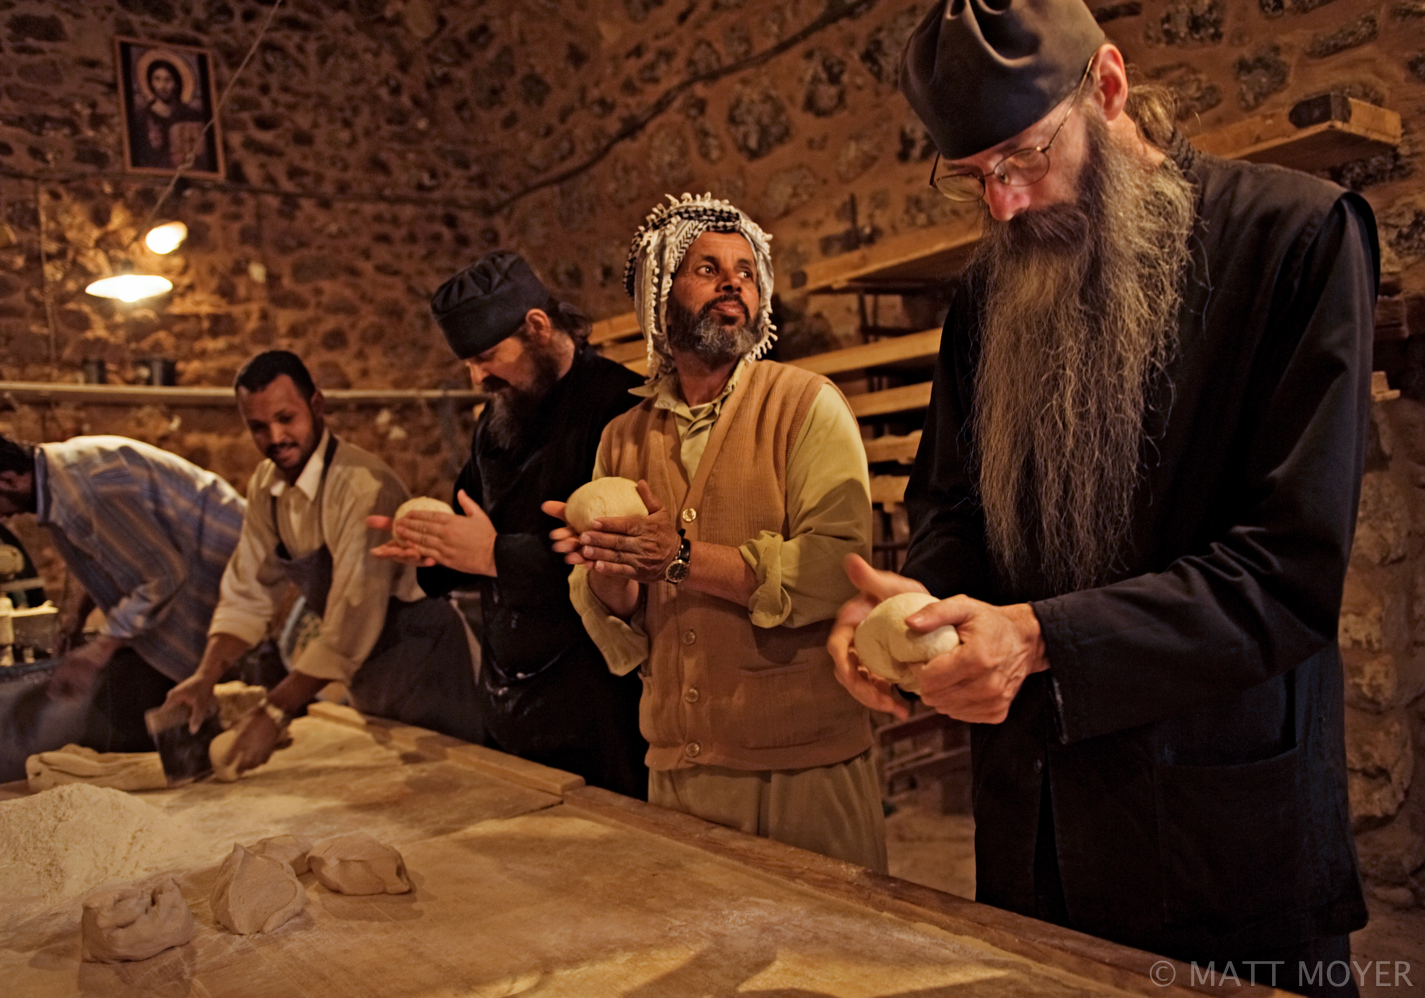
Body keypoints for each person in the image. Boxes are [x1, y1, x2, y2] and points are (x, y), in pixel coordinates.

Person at [828, 2, 1377, 994]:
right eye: (974, 179)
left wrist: (1040, 638)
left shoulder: (1294, 239)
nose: (1002, 204)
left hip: (1223, 846)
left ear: (1110, 88)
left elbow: (1288, 571)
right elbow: (952, 505)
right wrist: (910, 614)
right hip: (1035, 836)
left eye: (1025, 158)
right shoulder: (988, 296)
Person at [550, 195, 884, 871]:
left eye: (746, 271)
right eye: (706, 268)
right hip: (679, 770)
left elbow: (836, 569)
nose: (734, 281)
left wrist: (679, 557)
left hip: (802, 770)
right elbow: (621, 615)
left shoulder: (806, 405)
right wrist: (609, 567)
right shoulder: (622, 437)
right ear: (658, 295)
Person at [371, 251, 648, 798]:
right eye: (468, 364)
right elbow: (470, 519)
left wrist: (493, 555)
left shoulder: (620, 407)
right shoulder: (498, 418)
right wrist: (436, 548)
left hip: (596, 707)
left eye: (488, 356)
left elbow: (624, 560)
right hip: (509, 700)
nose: (478, 377)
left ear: (538, 329)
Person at [163, 350, 482, 772]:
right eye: (258, 427)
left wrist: (275, 711)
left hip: (428, 668)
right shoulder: (266, 485)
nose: (274, 437)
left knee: (460, 789)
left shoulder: (362, 486)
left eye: (286, 418)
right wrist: (206, 676)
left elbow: (353, 616)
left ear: (317, 406)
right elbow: (249, 589)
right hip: (368, 676)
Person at [0, 430, 245, 750]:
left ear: (7, 481)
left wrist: (99, 650)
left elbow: (164, 576)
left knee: (173, 705)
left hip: (223, 564)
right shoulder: (57, 476)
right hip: (188, 571)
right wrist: (77, 616)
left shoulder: (84, 492)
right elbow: (111, 555)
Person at [130, 56, 209, 171]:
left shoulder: (191, 114)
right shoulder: (142, 116)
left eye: (168, 80)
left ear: (176, 83)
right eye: (157, 79)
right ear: (150, 82)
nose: (162, 86)